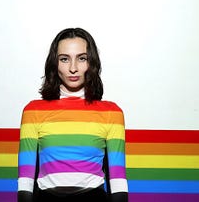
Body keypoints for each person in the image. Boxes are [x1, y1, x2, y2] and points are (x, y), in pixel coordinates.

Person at [18, 27, 128, 202]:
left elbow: (117, 180)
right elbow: (25, 181)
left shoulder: (111, 113)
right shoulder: (34, 111)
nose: (73, 68)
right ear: (54, 63)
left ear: (92, 62)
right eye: (64, 59)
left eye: (82, 58)